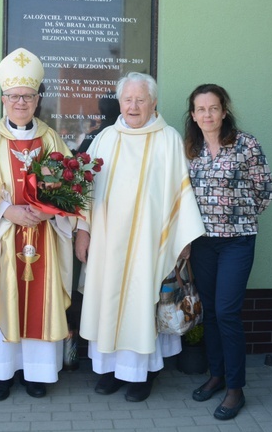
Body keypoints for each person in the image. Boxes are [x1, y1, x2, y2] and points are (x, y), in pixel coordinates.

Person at [75, 72, 205, 402]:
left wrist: (184, 239)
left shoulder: (168, 139)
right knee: (108, 302)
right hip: (107, 243)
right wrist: (83, 231)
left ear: (153, 102)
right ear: (119, 102)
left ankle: (141, 375)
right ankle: (108, 371)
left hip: (149, 244)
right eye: (128, 99)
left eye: (140, 100)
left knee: (141, 302)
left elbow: (180, 193)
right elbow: (88, 191)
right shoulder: (105, 138)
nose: (133, 106)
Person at [0, 48, 74, 401]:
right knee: (2, 294)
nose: (20, 102)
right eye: (14, 97)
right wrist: (6, 212)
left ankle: (36, 373)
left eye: (27, 96)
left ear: (38, 100)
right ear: (3, 99)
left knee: (39, 300)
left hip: (44, 237)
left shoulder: (52, 139)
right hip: (1, 239)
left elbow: (70, 184)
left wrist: (49, 209)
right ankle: (2, 373)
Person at [183, 84, 272, 420]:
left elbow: (265, 189)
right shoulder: (190, 148)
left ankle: (236, 389)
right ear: (193, 115)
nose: (207, 115)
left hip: (237, 240)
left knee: (227, 311)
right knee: (210, 309)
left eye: (213, 108)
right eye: (200, 109)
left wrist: (239, 217)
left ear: (224, 111)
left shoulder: (245, 144)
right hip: (203, 243)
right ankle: (216, 375)